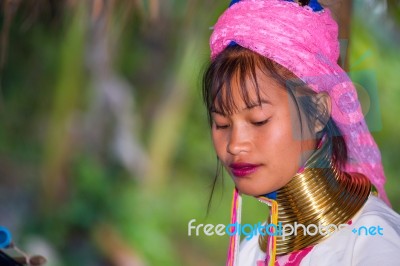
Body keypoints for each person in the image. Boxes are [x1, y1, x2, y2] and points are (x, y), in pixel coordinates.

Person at [201, 0, 400, 265]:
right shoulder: (250, 252)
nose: (235, 145)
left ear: (318, 112)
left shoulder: (372, 239)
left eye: (259, 120)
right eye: (222, 124)